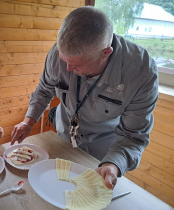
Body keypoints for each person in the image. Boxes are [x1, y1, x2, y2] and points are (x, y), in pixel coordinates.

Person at [11, 6, 158, 190]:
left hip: (103, 154)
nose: (68, 69)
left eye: (76, 64)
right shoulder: (58, 55)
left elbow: (134, 136)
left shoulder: (140, 73)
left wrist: (113, 164)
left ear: (105, 53)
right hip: (63, 139)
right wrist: (28, 121)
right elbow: (44, 90)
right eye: (65, 61)